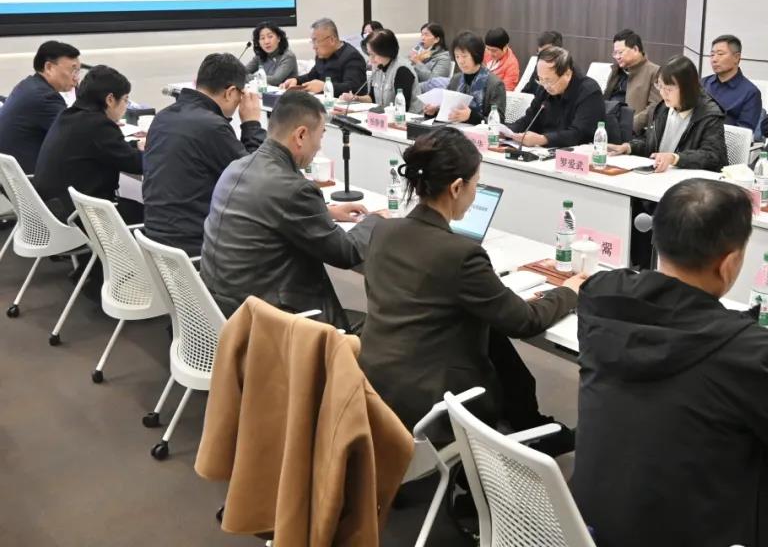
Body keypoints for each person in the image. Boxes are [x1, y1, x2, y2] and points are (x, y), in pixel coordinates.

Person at [572, 179, 768, 547]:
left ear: (657, 240)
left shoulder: (600, 298)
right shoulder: (743, 349)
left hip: (591, 527)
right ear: (730, 263)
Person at [359, 127, 585, 441]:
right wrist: (568, 292)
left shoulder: (383, 231)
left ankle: (528, 424)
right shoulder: (461, 254)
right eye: (476, 184)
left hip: (376, 384)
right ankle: (528, 431)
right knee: (497, 340)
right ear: (456, 188)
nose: (475, 193)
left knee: (492, 335)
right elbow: (524, 321)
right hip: (433, 403)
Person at [200, 91, 376, 327]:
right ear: (301, 135)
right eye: (320, 136)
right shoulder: (293, 189)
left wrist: (327, 212)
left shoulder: (236, 167)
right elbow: (346, 252)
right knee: (378, 329)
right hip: (271, 324)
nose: (319, 147)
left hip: (225, 313)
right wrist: (375, 220)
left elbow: (269, 211)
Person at [142, 53, 266, 256]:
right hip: (196, 248)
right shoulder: (212, 126)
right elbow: (256, 179)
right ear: (230, 92)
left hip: (157, 244)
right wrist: (252, 124)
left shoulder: (163, 116)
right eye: (240, 95)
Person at [33, 65, 144, 223]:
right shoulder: (98, 124)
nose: (126, 106)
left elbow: (105, 149)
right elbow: (137, 164)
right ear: (110, 99)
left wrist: (135, 145)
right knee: (154, 215)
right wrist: (163, 150)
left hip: (53, 211)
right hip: (80, 216)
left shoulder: (68, 115)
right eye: (125, 100)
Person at [608, 55, 727, 172]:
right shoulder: (663, 108)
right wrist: (628, 147)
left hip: (692, 180)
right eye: (660, 86)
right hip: (662, 174)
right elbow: (650, 142)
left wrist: (675, 158)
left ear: (687, 88)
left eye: (669, 89)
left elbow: (712, 156)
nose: (663, 93)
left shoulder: (709, 115)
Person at [0, 40, 81, 173]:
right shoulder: (46, 98)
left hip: (11, 177)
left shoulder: (27, 85)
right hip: (29, 177)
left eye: (78, 72)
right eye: (73, 71)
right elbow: (76, 136)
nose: (76, 79)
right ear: (49, 67)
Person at [507, 46, 605, 149]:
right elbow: (529, 119)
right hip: (544, 151)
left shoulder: (589, 91)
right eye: (541, 79)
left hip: (578, 152)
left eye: (549, 81)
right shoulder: (544, 88)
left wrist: (543, 139)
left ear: (567, 74)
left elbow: (579, 134)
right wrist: (508, 132)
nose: (545, 86)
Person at [423, 31, 506, 125]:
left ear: (476, 55)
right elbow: (447, 112)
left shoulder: (495, 84)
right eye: (457, 56)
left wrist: (471, 117)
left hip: (479, 133)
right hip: (454, 130)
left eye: (464, 56)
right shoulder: (456, 79)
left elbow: (499, 122)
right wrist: (434, 112)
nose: (460, 61)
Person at [280, 18, 366, 96]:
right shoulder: (322, 55)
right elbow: (312, 76)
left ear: (332, 40)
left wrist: (325, 87)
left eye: (316, 41)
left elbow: (354, 88)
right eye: (312, 42)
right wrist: (296, 80)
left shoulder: (352, 57)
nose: (314, 47)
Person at [605, 29, 661, 136]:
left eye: (620, 52)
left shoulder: (654, 72)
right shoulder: (616, 71)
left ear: (635, 49)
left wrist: (630, 125)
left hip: (634, 132)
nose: (617, 57)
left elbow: (655, 107)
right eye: (615, 53)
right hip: (608, 126)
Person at [702, 34, 763, 131]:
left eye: (720, 54)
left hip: (724, 139)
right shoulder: (703, 83)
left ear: (736, 57)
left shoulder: (751, 93)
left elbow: (743, 133)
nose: (714, 59)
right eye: (712, 55)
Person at [353, 29, 421, 112]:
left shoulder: (402, 70)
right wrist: (356, 98)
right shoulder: (378, 66)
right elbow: (372, 98)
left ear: (386, 52)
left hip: (409, 118)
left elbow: (402, 108)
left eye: (373, 55)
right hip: (384, 116)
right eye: (369, 54)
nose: (370, 60)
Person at [245, 21, 298, 86]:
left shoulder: (288, 56)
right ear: (258, 42)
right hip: (266, 91)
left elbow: (275, 80)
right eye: (262, 38)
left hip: (286, 91)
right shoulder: (260, 56)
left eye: (270, 36)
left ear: (278, 38)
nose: (266, 42)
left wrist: (246, 77)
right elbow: (242, 72)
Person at [520, 30, 563, 95]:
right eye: (539, 53)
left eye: (545, 53)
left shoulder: (563, 71)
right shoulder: (540, 63)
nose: (541, 58)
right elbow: (530, 86)